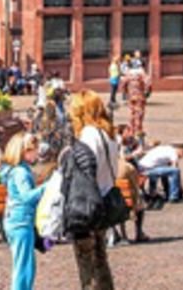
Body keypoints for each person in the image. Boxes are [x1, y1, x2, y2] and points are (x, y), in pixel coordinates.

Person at [64, 90, 119, 290]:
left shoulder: (88, 135)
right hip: (104, 200)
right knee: (100, 259)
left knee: (86, 263)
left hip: (87, 205)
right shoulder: (109, 134)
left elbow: (85, 174)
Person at [2, 132, 41, 290]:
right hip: (21, 222)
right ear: (25, 151)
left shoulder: (15, 170)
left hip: (15, 220)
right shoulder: (21, 172)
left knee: (23, 265)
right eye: (35, 149)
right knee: (24, 268)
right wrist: (47, 187)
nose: (38, 152)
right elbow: (26, 197)